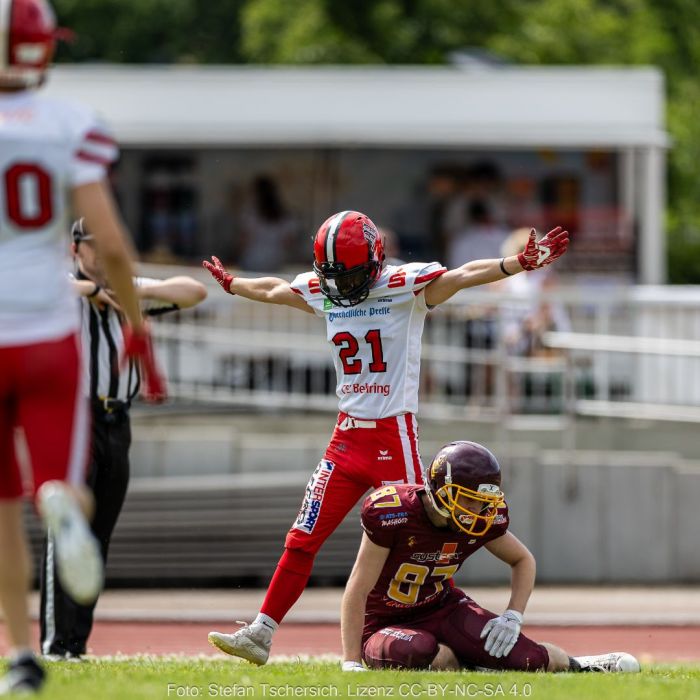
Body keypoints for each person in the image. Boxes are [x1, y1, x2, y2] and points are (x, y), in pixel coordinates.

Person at [203, 210, 569, 665]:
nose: (343, 285)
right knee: (302, 536)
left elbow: (461, 276)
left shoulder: (403, 285)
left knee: (425, 538)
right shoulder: (326, 289)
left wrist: (514, 263)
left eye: (351, 274)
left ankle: (447, 629)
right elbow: (276, 289)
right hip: (345, 437)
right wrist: (234, 283)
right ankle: (261, 631)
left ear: (375, 262)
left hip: (394, 435)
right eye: (334, 275)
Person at [0, 1, 164, 693]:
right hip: (48, 337)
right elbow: (115, 246)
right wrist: (137, 327)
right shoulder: (71, 123)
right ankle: (59, 503)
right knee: (62, 485)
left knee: (2, 508)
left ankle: (19, 659)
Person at [39, 219, 207, 660]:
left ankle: (77, 643)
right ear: (76, 250)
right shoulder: (62, 289)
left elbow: (194, 291)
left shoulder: (127, 291)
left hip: (118, 421)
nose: (99, 256)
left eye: (106, 248)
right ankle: (56, 643)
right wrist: (92, 291)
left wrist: (137, 290)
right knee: (69, 528)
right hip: (76, 418)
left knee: (98, 536)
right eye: (91, 248)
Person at [340, 440, 640, 674]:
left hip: (443, 609)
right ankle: (475, 659)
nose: (479, 511)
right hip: (383, 622)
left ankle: (579, 665)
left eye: (484, 502)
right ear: (442, 489)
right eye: (470, 498)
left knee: (528, 660)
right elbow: (358, 587)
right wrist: (351, 661)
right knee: (422, 650)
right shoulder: (394, 513)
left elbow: (523, 560)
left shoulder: (481, 519)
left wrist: (513, 615)